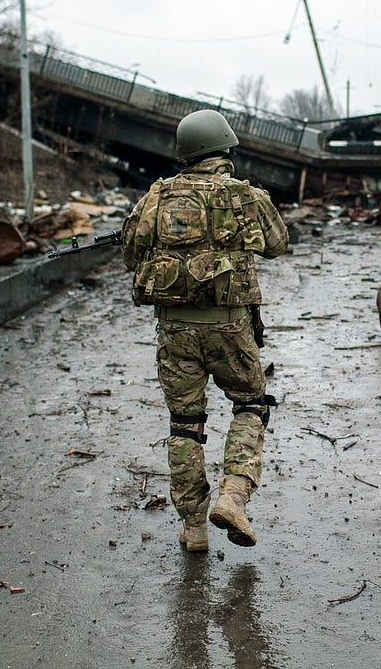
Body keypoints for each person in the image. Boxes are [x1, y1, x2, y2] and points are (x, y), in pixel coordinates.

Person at [122, 109, 289, 551]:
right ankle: (233, 495)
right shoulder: (245, 195)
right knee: (252, 403)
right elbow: (278, 244)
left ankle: (193, 526)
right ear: (226, 149)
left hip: (175, 331)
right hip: (231, 327)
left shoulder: (155, 197)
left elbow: (130, 255)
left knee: (185, 423)